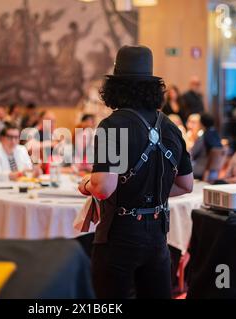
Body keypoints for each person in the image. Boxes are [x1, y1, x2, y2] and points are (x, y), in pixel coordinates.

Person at [78, 45, 193, 299]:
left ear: (115, 88)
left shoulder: (112, 125)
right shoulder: (171, 127)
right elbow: (186, 185)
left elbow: (104, 187)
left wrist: (86, 183)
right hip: (158, 236)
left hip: (119, 234)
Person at [190, 113, 224, 182]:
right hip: (214, 172)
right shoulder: (216, 135)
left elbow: (192, 153)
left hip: (201, 170)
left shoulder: (203, 137)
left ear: (201, 123)